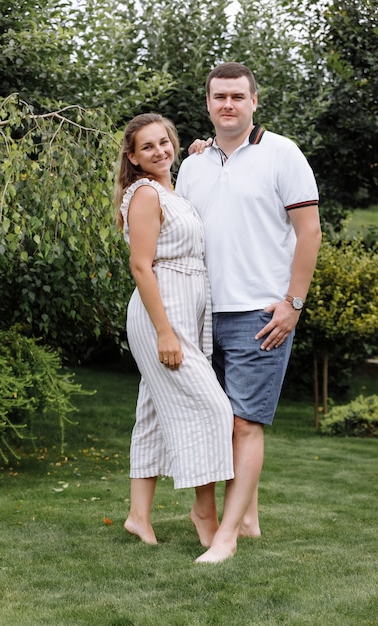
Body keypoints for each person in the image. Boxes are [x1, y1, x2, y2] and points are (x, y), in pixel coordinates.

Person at [176, 62, 322, 563]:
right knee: (216, 422)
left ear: (254, 101)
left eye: (238, 97)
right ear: (208, 103)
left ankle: (227, 536)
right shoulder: (193, 164)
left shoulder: (283, 154)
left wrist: (293, 305)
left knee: (244, 424)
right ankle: (250, 519)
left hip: (260, 313)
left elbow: (310, 233)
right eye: (219, 97)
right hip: (201, 312)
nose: (228, 105)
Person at [114, 112, 234, 551]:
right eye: (148, 147)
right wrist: (165, 332)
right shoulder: (145, 194)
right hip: (161, 313)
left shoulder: (172, 188)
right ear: (133, 156)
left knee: (151, 413)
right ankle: (204, 511)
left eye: (165, 142)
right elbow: (140, 266)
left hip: (185, 310)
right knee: (214, 409)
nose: (159, 151)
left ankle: (138, 517)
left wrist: (201, 152)